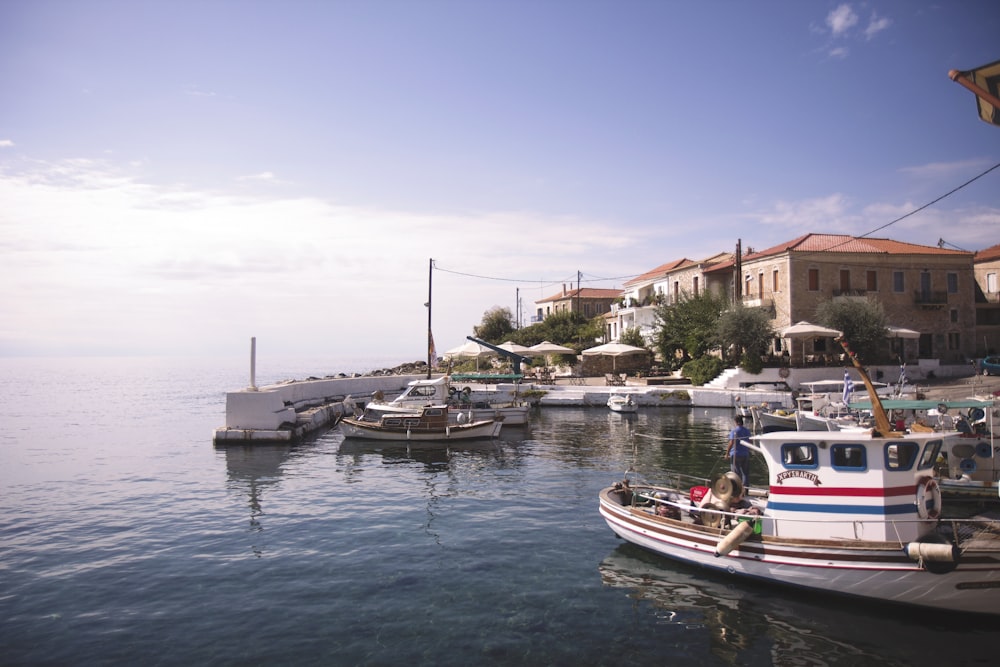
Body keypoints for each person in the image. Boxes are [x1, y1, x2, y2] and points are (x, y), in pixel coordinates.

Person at [727, 415, 751, 488]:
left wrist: (727, 453)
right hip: (745, 454)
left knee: (736, 473)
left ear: (736, 422)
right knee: (745, 473)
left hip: (735, 454)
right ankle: (746, 490)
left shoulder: (734, 431)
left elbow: (731, 442)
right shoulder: (747, 431)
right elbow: (750, 442)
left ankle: (737, 490)